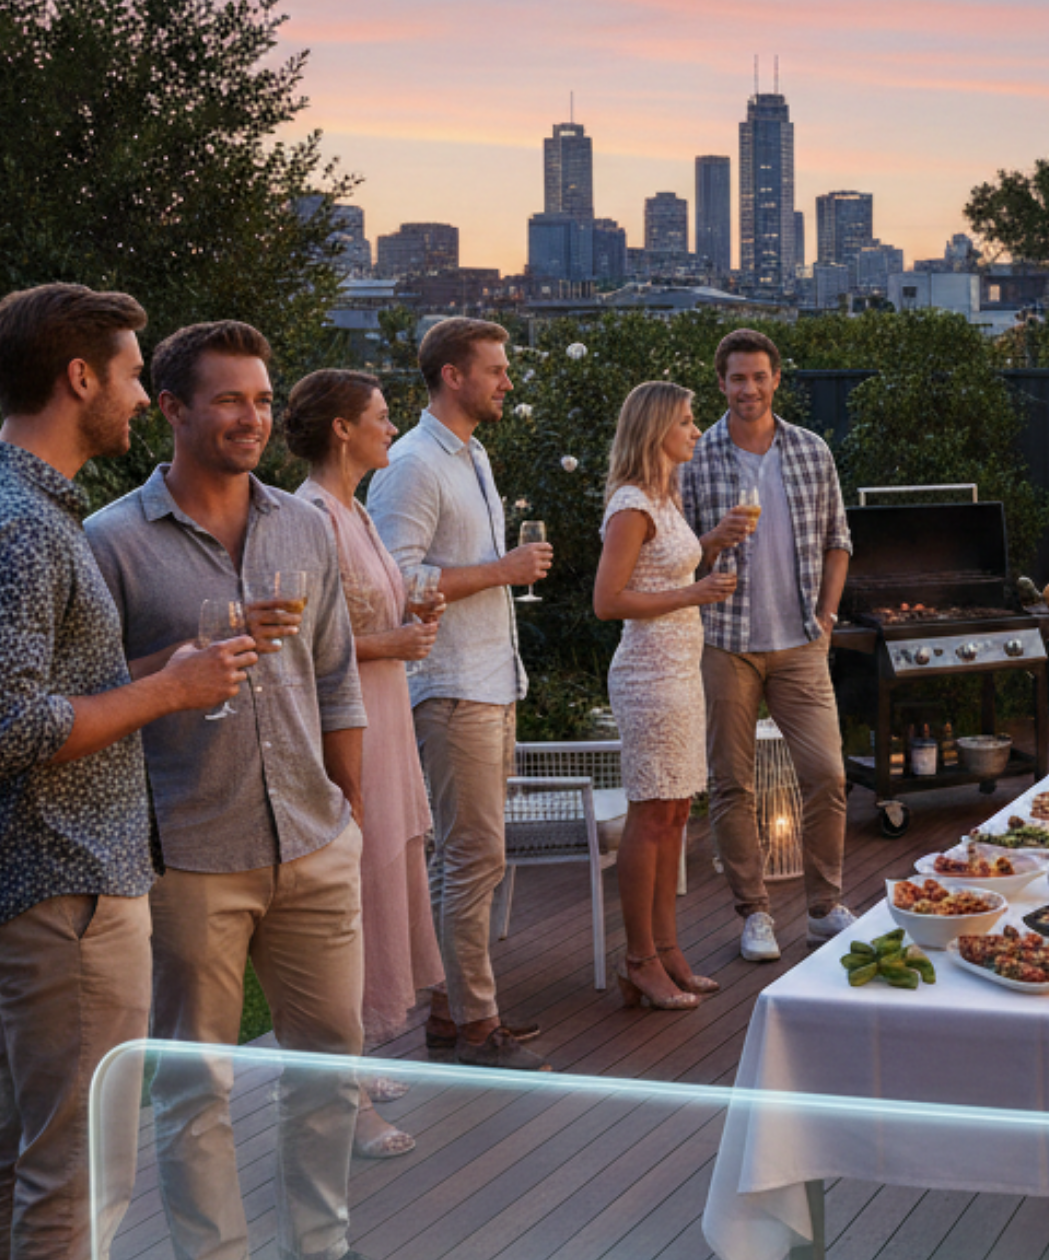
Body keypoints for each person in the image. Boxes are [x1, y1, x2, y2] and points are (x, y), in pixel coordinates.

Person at [0, 283, 250, 1260]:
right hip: (60, 887)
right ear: (77, 377)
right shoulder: (19, 524)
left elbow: (36, 689)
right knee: (77, 1183)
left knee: (20, 1154)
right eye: (134, 374)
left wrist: (170, 673)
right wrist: (166, 694)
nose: (144, 397)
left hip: (32, 884)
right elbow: (6, 730)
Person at [85, 320, 368, 1260]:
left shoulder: (302, 524)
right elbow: (89, 698)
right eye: (229, 399)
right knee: (194, 1086)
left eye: (261, 397)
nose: (253, 417)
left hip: (314, 842)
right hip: (190, 855)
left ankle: (319, 1249)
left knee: (331, 1072)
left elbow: (335, 676)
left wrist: (348, 810)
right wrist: (179, 663)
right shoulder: (111, 543)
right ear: (171, 409)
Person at [368, 316, 553, 1070]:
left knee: (469, 857)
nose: (507, 380)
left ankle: (451, 1011)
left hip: (489, 680)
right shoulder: (412, 464)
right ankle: (476, 1025)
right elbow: (393, 581)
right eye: (496, 369)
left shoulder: (468, 455)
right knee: (473, 857)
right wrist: (501, 571)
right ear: (453, 375)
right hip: (449, 686)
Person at [286, 368, 448, 1156]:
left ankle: (352, 1064)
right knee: (346, 906)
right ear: (342, 429)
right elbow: (302, 648)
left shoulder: (357, 510)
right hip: (346, 729)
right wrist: (394, 641)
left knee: (381, 891)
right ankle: (343, 1102)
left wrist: (412, 617)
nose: (393, 427)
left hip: (383, 719)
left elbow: (368, 612)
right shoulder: (310, 514)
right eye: (382, 417)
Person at [683, 328, 855, 962]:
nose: (748, 388)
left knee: (828, 775)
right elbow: (670, 557)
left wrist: (829, 614)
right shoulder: (694, 460)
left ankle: (823, 907)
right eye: (736, 378)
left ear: (776, 378)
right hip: (726, 642)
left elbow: (840, 539)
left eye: (759, 376)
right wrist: (711, 539)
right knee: (732, 783)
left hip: (802, 643)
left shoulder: (811, 452)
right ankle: (753, 913)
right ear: (721, 384)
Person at [594, 381, 740, 1008]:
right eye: (686, 420)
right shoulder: (631, 503)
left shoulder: (665, 495)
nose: (697, 430)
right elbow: (609, 601)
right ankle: (639, 959)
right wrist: (694, 593)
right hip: (649, 675)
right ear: (656, 429)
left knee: (677, 814)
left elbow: (665, 567)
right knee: (651, 815)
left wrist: (711, 546)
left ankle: (669, 949)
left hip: (680, 668)